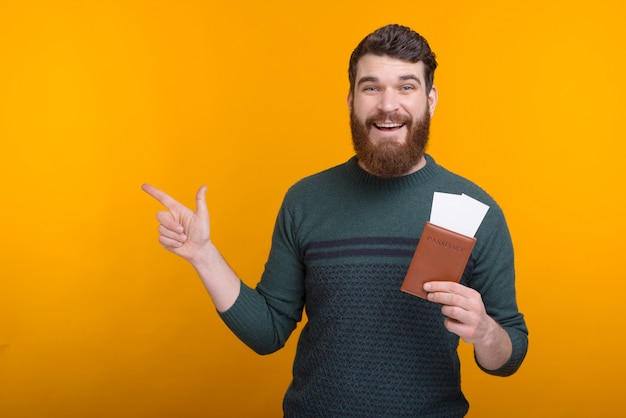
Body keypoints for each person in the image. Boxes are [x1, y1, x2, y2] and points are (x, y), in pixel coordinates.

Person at [142, 24, 528, 417]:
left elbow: (510, 354)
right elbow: (268, 332)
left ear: (431, 100)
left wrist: (485, 332)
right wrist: (203, 255)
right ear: (351, 99)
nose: (387, 105)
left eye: (406, 87)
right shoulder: (306, 201)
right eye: (371, 87)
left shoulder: (474, 209)